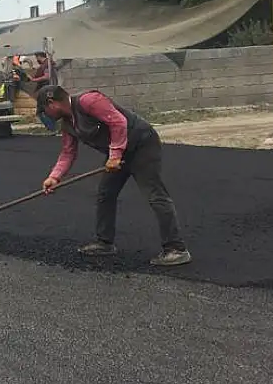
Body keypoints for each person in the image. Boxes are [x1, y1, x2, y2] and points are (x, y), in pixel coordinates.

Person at [37, 85, 192, 267]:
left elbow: (118, 122)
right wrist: (54, 177)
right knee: (106, 193)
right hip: (118, 155)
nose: (45, 115)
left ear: (51, 103)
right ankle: (105, 243)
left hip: (141, 145)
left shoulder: (89, 101)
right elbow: (68, 152)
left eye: (44, 110)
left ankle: (177, 249)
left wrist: (115, 155)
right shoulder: (68, 124)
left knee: (155, 195)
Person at [28, 51, 58, 132]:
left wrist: (33, 79)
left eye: (36, 57)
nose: (36, 59)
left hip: (46, 90)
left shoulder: (46, 65)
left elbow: (46, 77)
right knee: (48, 109)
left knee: (41, 111)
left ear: (39, 56)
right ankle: (53, 128)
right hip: (50, 89)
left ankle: (51, 128)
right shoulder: (48, 64)